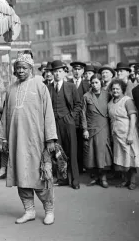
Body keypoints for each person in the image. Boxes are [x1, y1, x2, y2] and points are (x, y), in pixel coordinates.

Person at [0, 52, 57, 226]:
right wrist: (4, 138)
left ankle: (49, 210)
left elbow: (48, 114)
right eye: (18, 68)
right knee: (21, 175)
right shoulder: (10, 88)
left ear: (31, 69)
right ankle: (29, 210)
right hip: (16, 141)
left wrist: (50, 138)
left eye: (24, 68)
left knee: (40, 176)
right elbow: (5, 117)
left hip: (36, 141)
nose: (21, 71)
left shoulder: (40, 86)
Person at [47, 60, 81, 189]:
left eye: (59, 71)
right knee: (59, 152)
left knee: (72, 151)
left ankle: (75, 180)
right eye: (55, 71)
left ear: (64, 72)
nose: (57, 74)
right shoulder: (48, 88)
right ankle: (63, 179)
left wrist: (70, 117)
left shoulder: (70, 86)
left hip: (68, 122)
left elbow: (78, 105)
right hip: (54, 123)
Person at [81, 74, 112, 188]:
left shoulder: (107, 95)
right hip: (91, 127)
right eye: (92, 83)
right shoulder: (86, 96)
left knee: (103, 153)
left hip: (104, 127)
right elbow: (83, 113)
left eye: (96, 82)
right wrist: (85, 129)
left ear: (101, 82)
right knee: (92, 153)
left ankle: (103, 177)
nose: (94, 85)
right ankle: (96, 177)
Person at [108, 79, 139, 190]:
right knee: (122, 158)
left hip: (127, 133)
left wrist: (130, 134)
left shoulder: (127, 101)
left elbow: (133, 117)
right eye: (113, 89)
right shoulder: (111, 102)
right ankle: (125, 180)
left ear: (122, 90)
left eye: (117, 89)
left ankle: (133, 182)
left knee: (131, 157)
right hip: (116, 135)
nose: (115, 91)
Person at [68, 61, 90, 173]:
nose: (77, 71)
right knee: (73, 143)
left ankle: (83, 166)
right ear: (72, 71)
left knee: (83, 144)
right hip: (71, 118)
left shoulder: (87, 84)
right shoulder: (67, 83)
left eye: (79, 69)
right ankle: (74, 167)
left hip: (84, 118)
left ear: (83, 71)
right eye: (75, 69)